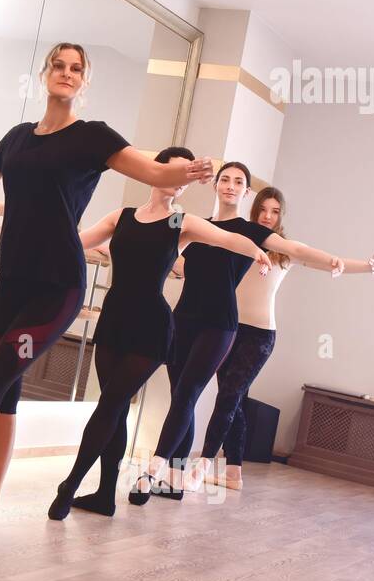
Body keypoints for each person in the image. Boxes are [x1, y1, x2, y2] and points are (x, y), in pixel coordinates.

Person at [0, 43, 214, 545]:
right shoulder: (16, 140)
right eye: (59, 66)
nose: (67, 74)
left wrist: (189, 172)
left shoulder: (94, 139)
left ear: (85, 81)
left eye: (77, 69)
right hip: (11, 286)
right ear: (45, 73)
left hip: (58, 290)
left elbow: (155, 171)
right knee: (3, 399)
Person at [46, 148, 270, 522]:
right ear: (154, 174)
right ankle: (104, 495)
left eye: (184, 177)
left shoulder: (181, 222)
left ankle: (69, 484)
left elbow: (228, 239)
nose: (178, 181)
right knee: (114, 409)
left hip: (151, 325)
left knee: (109, 405)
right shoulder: (123, 216)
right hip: (114, 318)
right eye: (173, 172)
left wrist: (257, 252)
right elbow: (75, 242)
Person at [132, 162, 357, 504]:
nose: (231, 185)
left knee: (188, 393)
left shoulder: (252, 232)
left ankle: (154, 471)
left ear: (246, 192)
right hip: (183, 320)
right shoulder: (192, 223)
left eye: (239, 182)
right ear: (216, 185)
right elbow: (160, 240)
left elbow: (295, 250)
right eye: (225, 179)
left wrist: (332, 260)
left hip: (220, 323)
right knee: (182, 396)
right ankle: (175, 480)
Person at [196, 186, 374, 489]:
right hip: (228, 329)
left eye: (275, 211)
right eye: (263, 209)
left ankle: (202, 464)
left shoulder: (284, 250)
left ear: (281, 215)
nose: (268, 216)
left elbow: (320, 259)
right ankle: (233, 473)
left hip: (260, 337)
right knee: (235, 400)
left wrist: (364, 267)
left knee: (228, 397)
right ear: (254, 209)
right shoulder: (239, 240)